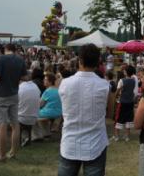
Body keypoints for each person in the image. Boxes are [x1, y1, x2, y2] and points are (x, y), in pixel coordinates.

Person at [58, 44, 110, 176]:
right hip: (95, 143)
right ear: (98, 62)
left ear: (79, 60)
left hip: (70, 142)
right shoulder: (104, 85)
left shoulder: (65, 83)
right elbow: (109, 112)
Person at [0, 43, 27, 161]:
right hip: (14, 94)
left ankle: (1, 155)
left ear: (5, 49)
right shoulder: (20, 59)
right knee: (15, 124)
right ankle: (13, 152)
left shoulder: (1, 58)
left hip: (1, 94)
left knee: (2, 124)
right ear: (15, 50)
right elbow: (25, 77)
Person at [113, 65, 137, 142]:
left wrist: (115, 97)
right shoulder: (133, 80)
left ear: (126, 72)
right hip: (130, 102)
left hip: (122, 102)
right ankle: (127, 136)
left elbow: (117, 91)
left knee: (118, 118)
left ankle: (116, 136)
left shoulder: (121, 80)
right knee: (129, 119)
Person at [17, 78, 40, 146]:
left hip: (21, 118)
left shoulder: (19, 88)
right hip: (34, 118)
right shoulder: (35, 86)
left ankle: (18, 140)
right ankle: (26, 138)